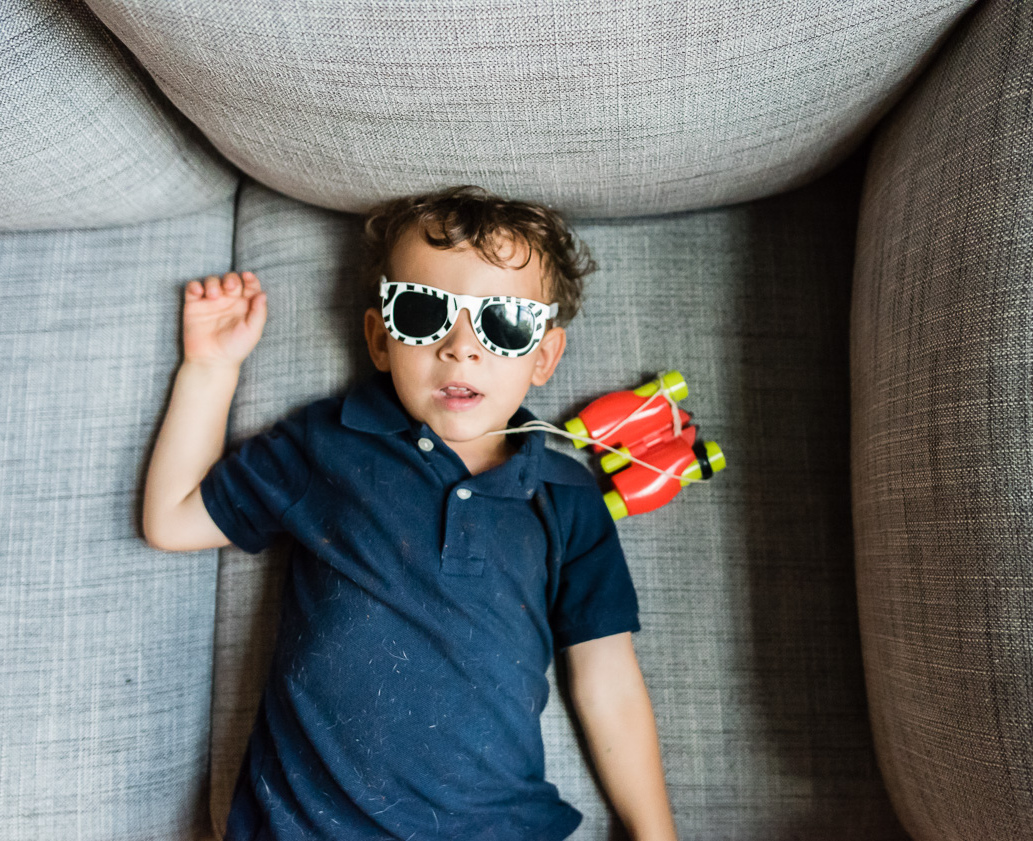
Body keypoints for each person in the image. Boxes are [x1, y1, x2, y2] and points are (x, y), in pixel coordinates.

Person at [142, 185, 678, 841]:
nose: (461, 346)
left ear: (543, 356)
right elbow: (172, 519)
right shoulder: (330, 442)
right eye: (424, 313)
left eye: (504, 323)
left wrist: (655, 832)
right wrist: (210, 367)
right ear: (378, 337)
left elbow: (607, 678)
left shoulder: (566, 494)